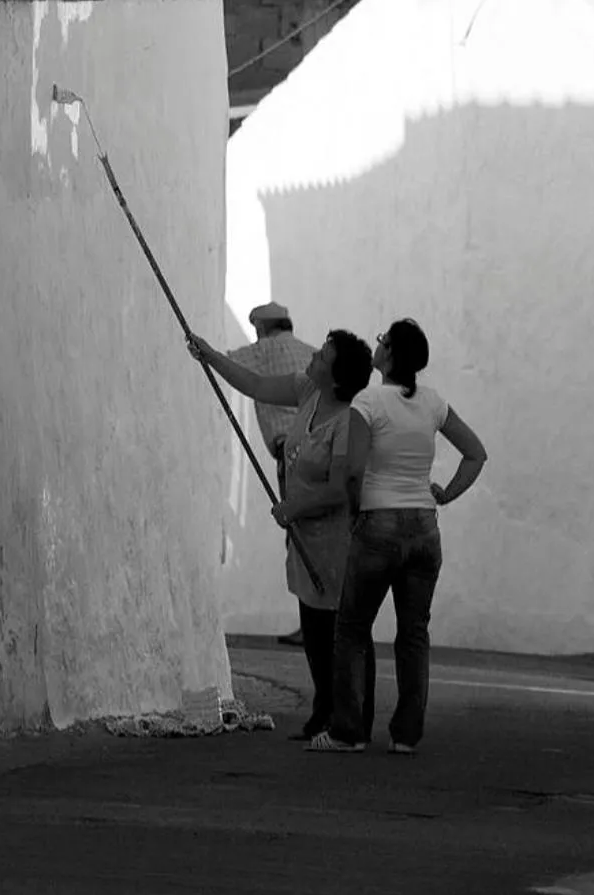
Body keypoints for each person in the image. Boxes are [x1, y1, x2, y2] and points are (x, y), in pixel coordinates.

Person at [309, 317, 487, 757]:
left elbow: (352, 469)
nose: (378, 343)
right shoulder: (431, 402)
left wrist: (355, 513)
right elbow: (475, 453)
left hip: (378, 522)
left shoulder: (368, 400)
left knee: (351, 629)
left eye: (383, 340)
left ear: (389, 356)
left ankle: (348, 731)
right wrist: (444, 494)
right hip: (424, 527)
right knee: (413, 634)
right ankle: (406, 735)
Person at [188, 329, 375, 739]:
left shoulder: (348, 422)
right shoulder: (308, 390)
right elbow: (255, 385)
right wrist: (211, 358)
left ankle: (351, 716)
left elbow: (339, 489)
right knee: (313, 625)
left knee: (340, 630)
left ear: (337, 377)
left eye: (322, 356)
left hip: (335, 541)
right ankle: (324, 708)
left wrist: (293, 507)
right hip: (304, 535)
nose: (312, 357)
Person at [226, 301, 315, 647]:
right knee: (313, 531)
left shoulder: (264, 350)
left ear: (262, 328)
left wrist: (200, 349)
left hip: (290, 455)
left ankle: (310, 621)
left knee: (297, 535)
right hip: (319, 449)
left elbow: (226, 363)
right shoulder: (311, 353)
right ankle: (318, 618)